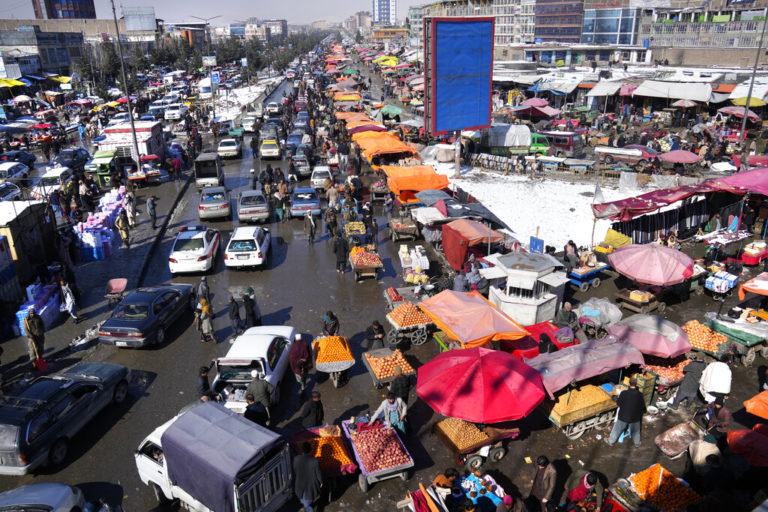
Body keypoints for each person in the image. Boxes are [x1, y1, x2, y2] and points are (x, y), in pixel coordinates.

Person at [606, 378, 646, 448]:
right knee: (636, 431)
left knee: (616, 429)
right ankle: (637, 443)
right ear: (636, 385)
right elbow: (642, 406)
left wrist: (619, 398)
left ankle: (611, 441)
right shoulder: (640, 395)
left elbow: (619, 404)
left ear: (629, 384)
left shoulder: (623, 393)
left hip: (623, 417)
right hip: (634, 418)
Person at [294, 441, 323, 512]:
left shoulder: (296, 459)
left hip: (300, 486)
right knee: (307, 504)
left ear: (302, 450)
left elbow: (295, 470)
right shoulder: (315, 461)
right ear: (310, 450)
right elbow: (318, 474)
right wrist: (321, 482)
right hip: (310, 488)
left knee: (304, 501)